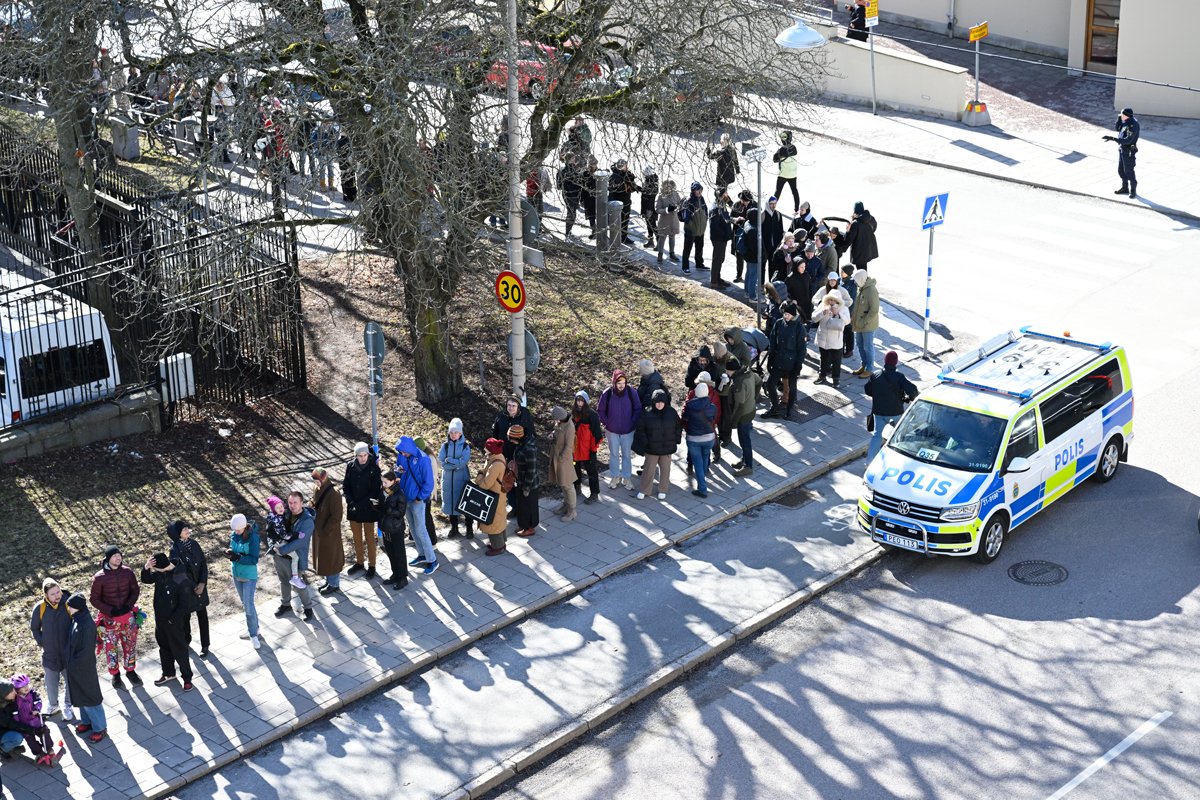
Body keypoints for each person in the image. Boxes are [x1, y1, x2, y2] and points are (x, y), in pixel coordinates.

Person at [89, 546, 142, 688]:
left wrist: (128, 605)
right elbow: (94, 599)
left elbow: (135, 591)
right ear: (108, 559)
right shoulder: (99, 577)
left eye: (119, 555)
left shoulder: (128, 572)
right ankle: (115, 674)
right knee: (111, 648)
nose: (118, 558)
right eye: (114, 556)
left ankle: (130, 671)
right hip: (109, 620)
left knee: (130, 645)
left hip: (128, 616)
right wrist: (110, 610)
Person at [141, 553, 195, 689]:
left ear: (163, 567)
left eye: (155, 569)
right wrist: (146, 567)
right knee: (164, 648)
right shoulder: (160, 574)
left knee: (179, 649)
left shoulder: (182, 578)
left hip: (174, 622)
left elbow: (185, 604)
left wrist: (172, 620)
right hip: (160, 620)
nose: (155, 571)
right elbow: (146, 579)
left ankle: (187, 678)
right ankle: (168, 673)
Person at [64, 593, 106, 743]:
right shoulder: (77, 619)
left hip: (83, 667)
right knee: (81, 696)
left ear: (76, 607)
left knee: (90, 698)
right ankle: (87, 722)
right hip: (75, 666)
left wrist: (72, 663)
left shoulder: (87, 625)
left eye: (69, 605)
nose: (67, 608)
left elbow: (86, 651)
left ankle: (100, 727)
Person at [394, 436, 440, 574]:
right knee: (413, 529)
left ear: (409, 449)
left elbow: (428, 482)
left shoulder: (423, 459)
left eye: (404, 452)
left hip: (417, 500)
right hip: (406, 498)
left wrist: (420, 497)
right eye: (401, 452)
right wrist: (397, 472)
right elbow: (399, 470)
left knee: (421, 529)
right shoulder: (402, 456)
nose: (402, 455)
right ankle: (422, 555)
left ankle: (432, 560)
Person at [30, 578, 73, 722]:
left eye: (58, 592)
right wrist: (42, 642)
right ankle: (53, 705)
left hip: (67, 652)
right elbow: (35, 628)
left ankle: (68, 705)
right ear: (45, 595)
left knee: (70, 680)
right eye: (53, 594)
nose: (57, 596)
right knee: (51, 683)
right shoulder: (40, 608)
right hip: (50, 653)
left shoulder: (68, 603)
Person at [166, 521, 209, 658]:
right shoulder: (174, 549)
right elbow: (179, 571)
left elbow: (203, 563)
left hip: (200, 586)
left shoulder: (194, 544)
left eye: (186, 527)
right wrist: (192, 586)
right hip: (186, 589)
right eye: (184, 529)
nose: (187, 530)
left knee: (203, 616)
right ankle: (186, 641)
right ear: (177, 534)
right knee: (186, 617)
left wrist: (202, 583)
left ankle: (205, 644)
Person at [866, 351, 919, 460]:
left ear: (885, 361)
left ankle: (869, 461)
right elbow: (913, 391)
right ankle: (899, 458)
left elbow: (868, 390)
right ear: (896, 363)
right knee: (900, 435)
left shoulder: (875, 375)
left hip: (878, 412)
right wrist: (909, 398)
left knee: (877, 435)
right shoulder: (899, 377)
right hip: (896, 412)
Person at [343, 443, 383, 578]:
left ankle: (372, 565)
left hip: (368, 508)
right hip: (353, 508)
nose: (363, 458)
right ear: (355, 455)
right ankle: (360, 562)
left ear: (368, 454)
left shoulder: (374, 469)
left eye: (365, 455)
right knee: (357, 538)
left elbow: (375, 491)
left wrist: (359, 505)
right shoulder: (350, 466)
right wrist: (350, 502)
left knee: (370, 538)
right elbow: (346, 486)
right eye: (360, 456)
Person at [598, 369, 642, 489]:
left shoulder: (631, 392)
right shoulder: (607, 394)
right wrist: (607, 422)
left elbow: (638, 409)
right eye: (619, 383)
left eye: (623, 382)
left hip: (628, 431)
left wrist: (632, 422)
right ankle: (615, 477)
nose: (621, 385)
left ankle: (626, 478)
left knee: (627, 455)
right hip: (612, 431)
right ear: (614, 383)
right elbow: (600, 410)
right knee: (614, 454)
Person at [274, 493, 316, 621]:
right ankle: (286, 604)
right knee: (283, 581)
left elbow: (300, 542)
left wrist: (282, 550)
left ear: (302, 503)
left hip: (295, 559)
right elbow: (274, 530)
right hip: (280, 557)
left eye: (295, 503)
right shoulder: (284, 514)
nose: (292, 506)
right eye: (290, 503)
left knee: (298, 585)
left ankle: (308, 608)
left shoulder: (307, 520)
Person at [634, 389, 682, 500]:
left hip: (667, 448)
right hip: (652, 449)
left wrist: (676, 439)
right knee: (648, 470)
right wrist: (646, 443)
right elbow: (640, 430)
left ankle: (663, 489)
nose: (659, 404)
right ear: (653, 402)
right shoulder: (646, 412)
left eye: (662, 401)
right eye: (657, 402)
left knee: (665, 470)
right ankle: (645, 490)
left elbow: (678, 426)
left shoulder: (671, 412)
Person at [764, 301, 806, 419]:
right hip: (778, 360)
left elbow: (802, 349)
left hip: (791, 363)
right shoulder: (778, 323)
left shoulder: (799, 328)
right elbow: (772, 341)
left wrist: (798, 365)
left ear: (793, 315)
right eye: (785, 314)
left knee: (792, 388)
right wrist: (770, 358)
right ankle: (774, 407)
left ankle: (789, 410)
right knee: (770, 383)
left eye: (788, 314)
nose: (785, 316)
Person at [227, 513, 263, 648]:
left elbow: (254, 559)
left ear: (244, 526)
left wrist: (238, 557)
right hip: (236, 573)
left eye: (238, 530)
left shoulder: (253, 537)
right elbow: (234, 548)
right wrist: (230, 552)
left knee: (248, 605)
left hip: (249, 576)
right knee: (246, 603)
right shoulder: (234, 534)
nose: (235, 532)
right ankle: (255, 628)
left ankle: (253, 635)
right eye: (234, 529)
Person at [310, 468, 346, 595]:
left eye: (317, 480)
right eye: (314, 481)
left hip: (329, 533)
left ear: (324, 478)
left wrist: (326, 530)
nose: (316, 483)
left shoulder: (334, 493)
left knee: (332, 559)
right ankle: (328, 580)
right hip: (320, 531)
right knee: (324, 558)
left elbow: (336, 516)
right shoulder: (317, 488)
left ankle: (334, 584)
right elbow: (315, 502)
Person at [9, 675, 55, 765]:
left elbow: (38, 701)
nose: (26, 688)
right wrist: (18, 724)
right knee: (31, 741)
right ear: (17, 689)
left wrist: (37, 709)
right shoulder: (15, 700)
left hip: (36, 721)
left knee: (45, 733)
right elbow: (15, 713)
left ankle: (49, 749)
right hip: (25, 725)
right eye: (23, 687)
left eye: (27, 685)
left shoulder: (32, 693)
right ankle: (39, 753)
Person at [683, 378, 718, 498]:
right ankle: (702, 479)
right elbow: (714, 419)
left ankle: (702, 489)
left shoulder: (689, 405)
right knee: (705, 458)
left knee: (697, 463)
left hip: (694, 439)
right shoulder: (712, 406)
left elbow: (685, 418)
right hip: (709, 438)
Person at [439, 419, 474, 538]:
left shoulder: (465, 446)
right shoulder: (445, 446)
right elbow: (442, 463)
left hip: (462, 481)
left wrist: (450, 460)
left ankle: (469, 529)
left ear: (460, 433)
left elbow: (462, 463)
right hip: (448, 482)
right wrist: (454, 464)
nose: (453, 434)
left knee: (465, 505)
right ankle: (454, 528)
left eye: (456, 432)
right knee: (451, 505)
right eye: (451, 432)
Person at [727, 357, 758, 476]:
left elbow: (739, 405)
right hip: (751, 410)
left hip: (743, 415)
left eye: (727, 371)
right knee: (745, 439)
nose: (726, 373)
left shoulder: (739, 382)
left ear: (733, 370)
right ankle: (744, 459)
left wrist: (733, 422)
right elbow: (759, 381)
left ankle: (748, 466)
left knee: (744, 440)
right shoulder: (748, 373)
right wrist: (753, 398)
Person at [478, 439, 510, 556]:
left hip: (493, 497)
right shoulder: (498, 457)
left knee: (493, 523)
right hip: (499, 495)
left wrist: (479, 475)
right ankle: (501, 543)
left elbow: (485, 484)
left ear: (491, 450)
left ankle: (498, 547)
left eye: (486, 447)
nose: (484, 449)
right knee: (499, 520)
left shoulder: (495, 465)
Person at [571, 391, 603, 504]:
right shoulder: (573, 414)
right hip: (575, 450)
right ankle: (577, 487)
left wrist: (593, 449)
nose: (579, 403)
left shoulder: (593, 415)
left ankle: (594, 494)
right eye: (578, 401)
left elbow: (597, 435)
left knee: (592, 472)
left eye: (582, 401)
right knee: (575, 469)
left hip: (588, 451)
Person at [378, 471, 409, 589]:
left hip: (396, 528)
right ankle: (395, 574)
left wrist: (389, 510)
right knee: (390, 552)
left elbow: (401, 513)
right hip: (386, 527)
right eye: (382, 481)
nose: (383, 484)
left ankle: (403, 577)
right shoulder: (384, 491)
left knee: (399, 553)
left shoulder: (399, 494)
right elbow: (382, 506)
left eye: (385, 482)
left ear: (392, 481)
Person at [813, 292, 851, 388]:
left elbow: (847, 321)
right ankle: (822, 376)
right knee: (823, 358)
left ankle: (836, 379)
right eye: (829, 299)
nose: (831, 302)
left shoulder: (843, 308)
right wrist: (823, 313)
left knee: (836, 361)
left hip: (836, 340)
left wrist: (838, 313)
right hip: (823, 338)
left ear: (838, 301)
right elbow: (814, 318)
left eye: (833, 300)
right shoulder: (823, 306)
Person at [508, 424, 540, 537]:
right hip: (520, 481)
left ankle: (529, 528)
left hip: (529, 484)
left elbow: (531, 471)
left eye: (512, 439)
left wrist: (526, 488)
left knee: (529, 507)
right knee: (522, 505)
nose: (511, 442)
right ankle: (523, 525)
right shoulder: (522, 445)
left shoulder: (529, 449)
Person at [549, 406, 578, 521]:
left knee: (568, 485)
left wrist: (561, 458)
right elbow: (557, 433)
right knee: (562, 483)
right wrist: (552, 435)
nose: (554, 422)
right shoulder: (560, 423)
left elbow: (569, 446)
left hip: (563, 460)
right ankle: (566, 505)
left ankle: (572, 511)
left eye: (555, 419)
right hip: (557, 457)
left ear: (560, 418)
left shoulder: (570, 427)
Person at [1105, 107, 1140, 198]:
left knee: (1129, 171)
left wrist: (1114, 139)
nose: (1121, 116)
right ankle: (1125, 188)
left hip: (1128, 151)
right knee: (1121, 170)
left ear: (1126, 115)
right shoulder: (1125, 121)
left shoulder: (1133, 125)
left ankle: (1133, 190)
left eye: (1122, 114)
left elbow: (1128, 140)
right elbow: (1118, 129)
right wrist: (1119, 119)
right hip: (1122, 149)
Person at [850, 268, 880, 377]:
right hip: (859, 323)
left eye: (856, 280)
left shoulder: (871, 290)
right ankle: (864, 365)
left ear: (861, 279)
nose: (855, 282)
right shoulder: (861, 287)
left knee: (868, 347)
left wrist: (864, 322)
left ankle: (870, 369)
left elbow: (874, 310)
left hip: (867, 325)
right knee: (859, 345)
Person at [491, 395, 536, 463]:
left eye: (513, 406)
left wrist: (523, 447)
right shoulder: (501, 416)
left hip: (518, 452)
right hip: (503, 451)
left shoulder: (524, 417)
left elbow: (531, 434)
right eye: (509, 405)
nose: (511, 408)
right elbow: (495, 433)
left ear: (518, 407)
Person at [609, 158, 640, 244]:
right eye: (625, 166)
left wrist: (639, 188)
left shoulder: (626, 174)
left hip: (626, 201)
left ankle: (623, 237)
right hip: (619, 203)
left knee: (625, 220)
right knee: (620, 221)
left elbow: (631, 184)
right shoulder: (615, 176)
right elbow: (614, 190)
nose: (626, 167)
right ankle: (619, 237)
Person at [680, 181, 708, 274]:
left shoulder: (702, 199)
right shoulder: (689, 201)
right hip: (691, 231)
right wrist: (690, 223)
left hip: (700, 230)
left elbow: (706, 211)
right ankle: (685, 267)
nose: (699, 192)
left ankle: (699, 264)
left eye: (700, 189)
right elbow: (684, 216)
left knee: (699, 248)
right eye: (697, 190)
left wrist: (705, 221)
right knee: (687, 249)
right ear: (693, 191)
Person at [844, 201, 879, 273]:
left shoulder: (855, 223)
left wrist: (847, 231)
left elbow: (849, 239)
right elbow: (874, 229)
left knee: (861, 272)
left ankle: (864, 283)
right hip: (868, 249)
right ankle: (864, 282)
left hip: (859, 251)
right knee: (863, 270)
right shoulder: (871, 219)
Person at [708, 193, 733, 288]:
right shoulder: (716, 208)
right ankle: (714, 281)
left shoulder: (722, 205)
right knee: (717, 260)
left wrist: (729, 201)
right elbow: (714, 226)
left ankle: (718, 278)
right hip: (718, 238)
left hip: (723, 238)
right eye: (724, 194)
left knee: (720, 259)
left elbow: (734, 208)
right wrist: (724, 234)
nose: (726, 195)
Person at [654, 179, 682, 265]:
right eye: (667, 187)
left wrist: (677, 207)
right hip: (664, 220)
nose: (668, 188)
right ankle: (660, 254)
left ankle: (672, 253)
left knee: (672, 236)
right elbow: (657, 209)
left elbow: (680, 204)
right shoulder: (660, 196)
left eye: (670, 186)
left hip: (674, 219)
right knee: (662, 237)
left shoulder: (676, 194)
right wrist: (666, 210)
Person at [772, 132, 799, 212]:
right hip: (793, 174)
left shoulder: (782, 150)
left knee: (778, 191)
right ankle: (796, 208)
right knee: (794, 191)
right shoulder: (794, 148)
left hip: (783, 174)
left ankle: (772, 207)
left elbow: (774, 159)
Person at [706, 133, 740, 198]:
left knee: (719, 193)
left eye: (722, 141)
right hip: (730, 175)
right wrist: (737, 170)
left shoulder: (720, 152)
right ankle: (726, 204)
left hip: (722, 176)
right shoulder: (732, 150)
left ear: (725, 141)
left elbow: (710, 156)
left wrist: (708, 148)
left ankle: (727, 204)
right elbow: (735, 160)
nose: (720, 142)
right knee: (724, 191)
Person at [739, 208, 761, 300]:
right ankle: (752, 296)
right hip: (753, 256)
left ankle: (747, 292)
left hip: (748, 255)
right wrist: (759, 255)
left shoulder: (747, 223)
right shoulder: (753, 230)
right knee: (753, 276)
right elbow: (754, 246)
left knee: (749, 273)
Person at [840, 263, 858, 359]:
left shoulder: (852, 284)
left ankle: (849, 349)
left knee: (849, 331)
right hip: (841, 310)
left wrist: (850, 315)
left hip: (848, 312)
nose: (841, 273)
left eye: (843, 271)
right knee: (842, 331)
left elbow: (853, 300)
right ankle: (841, 349)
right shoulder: (841, 281)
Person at [640, 166, 660, 248]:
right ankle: (650, 241)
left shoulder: (653, 182)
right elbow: (644, 195)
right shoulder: (648, 180)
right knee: (649, 225)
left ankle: (659, 243)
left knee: (653, 225)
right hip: (646, 207)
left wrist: (648, 210)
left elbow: (652, 197)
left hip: (650, 209)